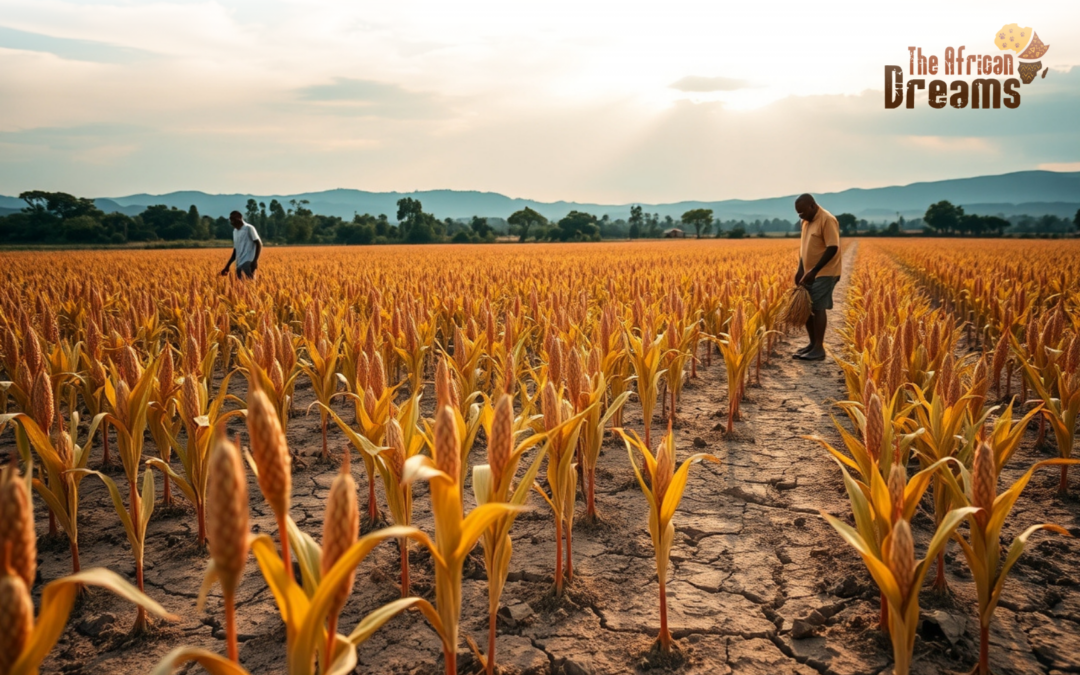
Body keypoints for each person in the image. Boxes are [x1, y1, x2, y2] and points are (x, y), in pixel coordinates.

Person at [792, 194, 842, 361]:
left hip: (825, 272)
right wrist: (801, 269)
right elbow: (804, 248)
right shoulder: (805, 221)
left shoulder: (827, 219)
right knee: (807, 306)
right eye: (798, 213)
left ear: (813, 206)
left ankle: (819, 348)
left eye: (802, 212)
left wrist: (814, 270)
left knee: (818, 307)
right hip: (809, 271)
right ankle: (812, 344)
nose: (800, 216)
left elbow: (832, 247)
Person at [220, 211, 262, 279]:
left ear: (240, 217)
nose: (232, 222)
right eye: (231, 220)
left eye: (233, 219)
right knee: (240, 287)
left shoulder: (249, 228)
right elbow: (235, 250)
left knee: (250, 285)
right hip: (239, 264)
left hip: (248, 262)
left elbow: (258, 243)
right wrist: (227, 266)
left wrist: (255, 261)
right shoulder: (235, 231)